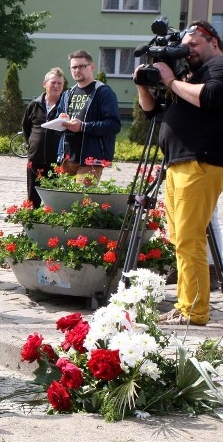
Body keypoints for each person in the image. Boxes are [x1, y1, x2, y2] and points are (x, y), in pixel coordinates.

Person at [135, 20, 223, 326]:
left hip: (200, 161)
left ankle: (195, 312)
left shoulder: (219, 66)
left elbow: (210, 97)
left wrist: (171, 81)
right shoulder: (189, 75)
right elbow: (151, 112)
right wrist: (143, 84)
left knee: (190, 239)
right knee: (180, 240)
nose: (190, 51)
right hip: (178, 163)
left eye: (195, 44)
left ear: (214, 42)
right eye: (186, 45)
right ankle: (186, 305)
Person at [57, 50, 121, 181]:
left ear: (91, 67)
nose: (77, 70)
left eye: (81, 66)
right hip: (67, 157)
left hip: (91, 159)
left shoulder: (103, 92)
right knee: (62, 200)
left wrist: (83, 127)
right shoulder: (68, 94)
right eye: (74, 67)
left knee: (81, 200)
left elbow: (114, 125)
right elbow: (58, 120)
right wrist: (61, 120)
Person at [22, 67, 65, 207]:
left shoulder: (65, 106)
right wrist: (33, 145)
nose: (56, 86)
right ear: (44, 84)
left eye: (60, 83)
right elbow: (26, 127)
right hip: (35, 159)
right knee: (33, 197)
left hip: (56, 161)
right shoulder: (34, 105)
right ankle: (33, 224)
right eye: (53, 83)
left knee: (53, 199)